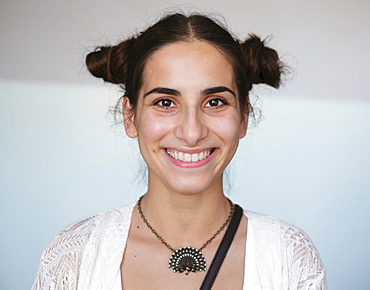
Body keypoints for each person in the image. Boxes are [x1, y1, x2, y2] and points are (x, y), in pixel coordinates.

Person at [32, 13, 327, 289]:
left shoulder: (288, 257)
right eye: (165, 102)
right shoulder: (76, 254)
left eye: (215, 102)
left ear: (243, 117)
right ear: (130, 117)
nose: (191, 132)